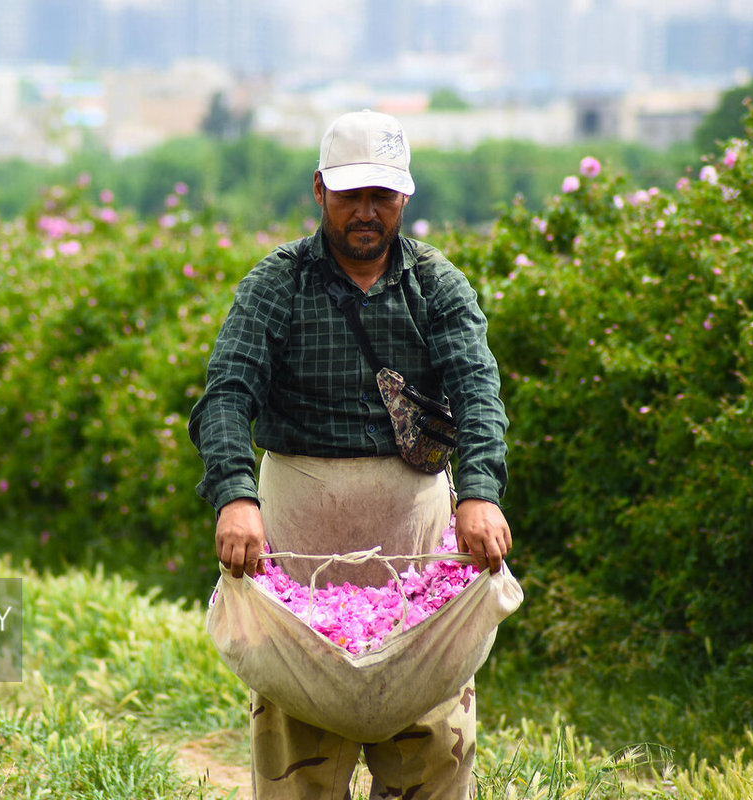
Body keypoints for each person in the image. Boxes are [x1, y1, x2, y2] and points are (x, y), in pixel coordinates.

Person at [187, 109, 512, 800]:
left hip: (416, 542)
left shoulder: (436, 286)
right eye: (350, 195)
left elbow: (478, 391)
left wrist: (480, 492)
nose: (367, 212)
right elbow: (225, 396)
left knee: (430, 740)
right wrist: (236, 498)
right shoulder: (277, 286)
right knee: (298, 740)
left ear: (404, 197)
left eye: (382, 196)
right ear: (319, 190)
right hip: (301, 546)